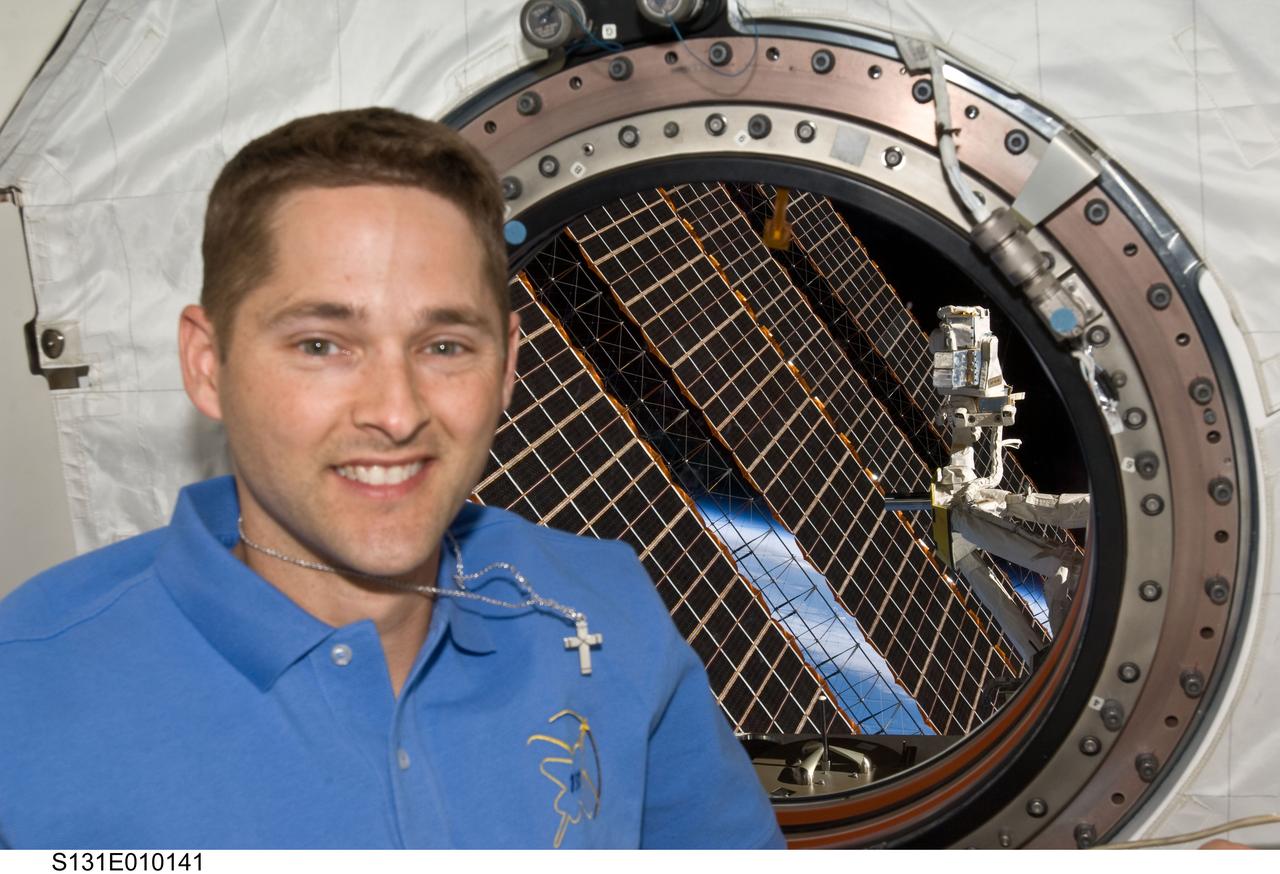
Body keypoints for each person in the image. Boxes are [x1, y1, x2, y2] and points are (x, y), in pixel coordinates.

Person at [0, 108, 785, 850]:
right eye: (321, 345)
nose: (396, 412)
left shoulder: (602, 606)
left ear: (509, 365)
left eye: (444, 346)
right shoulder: (29, 688)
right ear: (209, 365)